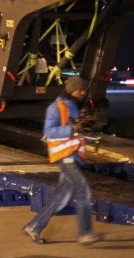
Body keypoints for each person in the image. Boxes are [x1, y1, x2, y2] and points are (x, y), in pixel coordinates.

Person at [22, 76, 102, 246]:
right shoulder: (56, 107)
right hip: (65, 156)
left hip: (74, 156)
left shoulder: (76, 106)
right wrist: (73, 128)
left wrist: (87, 131)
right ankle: (85, 233)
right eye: (80, 90)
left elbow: (79, 130)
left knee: (62, 197)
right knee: (83, 189)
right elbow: (49, 132)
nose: (83, 92)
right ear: (72, 90)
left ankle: (34, 227)